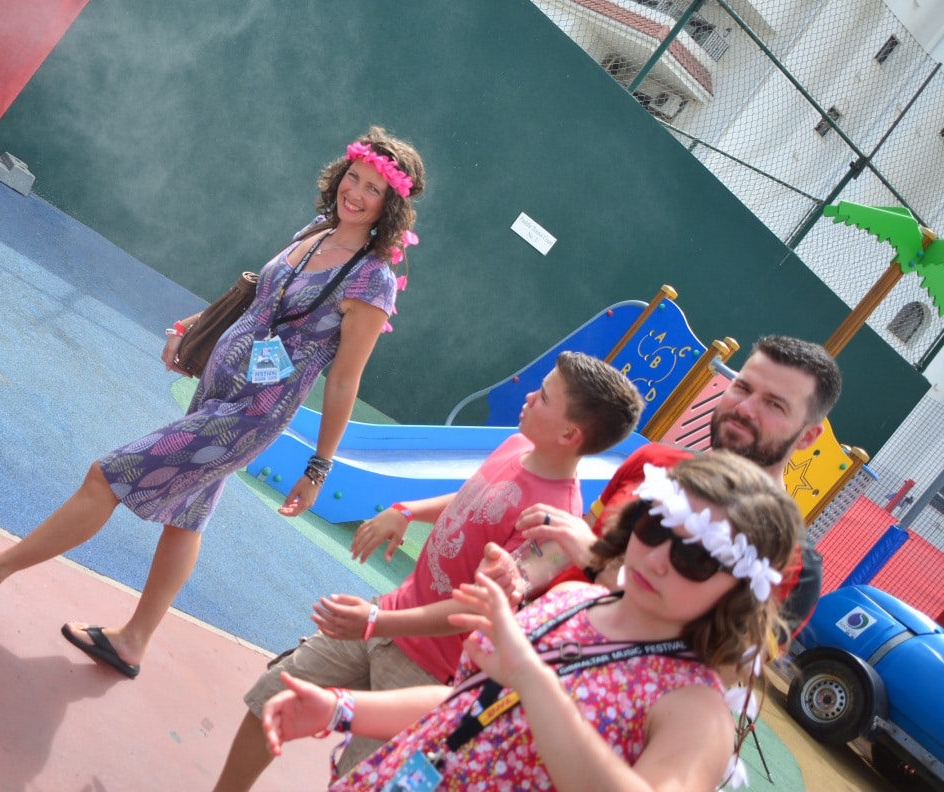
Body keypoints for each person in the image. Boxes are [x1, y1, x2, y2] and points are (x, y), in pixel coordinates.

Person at [0, 128, 426, 678]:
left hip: (248, 416)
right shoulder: (315, 232)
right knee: (187, 517)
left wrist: (318, 467)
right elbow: (254, 298)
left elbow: (344, 382)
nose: (355, 193)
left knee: (107, 475)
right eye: (353, 177)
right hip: (216, 389)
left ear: (390, 206)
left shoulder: (372, 283)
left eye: (373, 189)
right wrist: (193, 326)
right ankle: (132, 641)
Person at [210, 352, 641, 790]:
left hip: (427, 671)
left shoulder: (553, 523)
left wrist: (375, 621)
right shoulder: (516, 445)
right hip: (386, 617)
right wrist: (407, 511)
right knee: (276, 697)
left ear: (569, 433)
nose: (530, 397)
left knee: (362, 779)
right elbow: (474, 496)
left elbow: (475, 609)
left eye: (545, 397)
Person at [262, 451, 804, 792]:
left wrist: (529, 675)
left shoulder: (696, 710)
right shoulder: (571, 599)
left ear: (738, 591)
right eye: (655, 527)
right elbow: (469, 705)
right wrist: (343, 708)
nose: (659, 558)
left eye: (696, 558)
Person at [502, 335, 841, 633]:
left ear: (808, 437)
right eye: (743, 387)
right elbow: (573, 542)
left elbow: (715, 663)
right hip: (516, 646)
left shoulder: (792, 563)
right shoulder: (654, 461)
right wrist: (519, 579)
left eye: (774, 404)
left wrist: (598, 562)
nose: (745, 408)